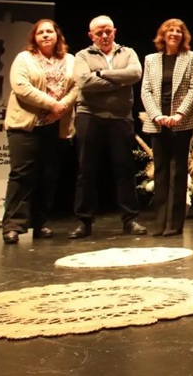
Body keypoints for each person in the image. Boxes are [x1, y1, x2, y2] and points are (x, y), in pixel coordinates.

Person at [1, 19, 78, 244]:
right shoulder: (24, 58)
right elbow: (21, 87)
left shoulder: (70, 60)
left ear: (57, 36)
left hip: (56, 126)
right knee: (21, 175)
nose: (45, 35)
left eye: (49, 31)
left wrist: (62, 107)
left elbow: (77, 87)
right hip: (25, 126)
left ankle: (40, 223)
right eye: (40, 32)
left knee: (48, 175)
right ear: (34, 37)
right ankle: (13, 226)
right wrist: (52, 105)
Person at [70, 15, 147, 238]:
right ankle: (84, 221)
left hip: (121, 117)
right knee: (87, 170)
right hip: (90, 116)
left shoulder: (128, 52)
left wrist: (101, 74)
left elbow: (135, 74)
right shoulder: (83, 55)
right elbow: (84, 81)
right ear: (91, 35)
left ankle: (130, 220)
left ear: (114, 32)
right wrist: (119, 81)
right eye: (99, 33)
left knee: (125, 169)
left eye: (108, 31)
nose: (104, 36)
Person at [140, 19, 193, 236]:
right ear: (163, 35)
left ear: (183, 36)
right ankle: (159, 223)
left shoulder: (192, 57)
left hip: (181, 121)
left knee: (178, 172)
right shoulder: (151, 59)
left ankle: (174, 224)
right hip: (157, 121)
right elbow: (146, 90)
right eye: (170, 30)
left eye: (178, 31)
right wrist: (156, 115)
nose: (174, 34)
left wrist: (179, 115)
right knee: (160, 172)